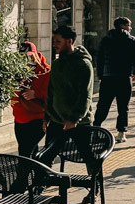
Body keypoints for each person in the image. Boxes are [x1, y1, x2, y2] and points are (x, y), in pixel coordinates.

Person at [39, 26, 96, 166]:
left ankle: (95, 185)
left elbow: (85, 96)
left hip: (80, 122)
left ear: (69, 41)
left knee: (88, 157)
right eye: (54, 41)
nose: (54, 45)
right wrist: (46, 117)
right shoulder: (57, 64)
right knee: (46, 157)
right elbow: (51, 92)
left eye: (58, 42)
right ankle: (40, 185)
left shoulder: (83, 64)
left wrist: (73, 119)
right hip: (57, 120)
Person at [92, 17, 135, 142]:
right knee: (123, 107)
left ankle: (96, 128)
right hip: (124, 78)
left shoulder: (106, 39)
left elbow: (100, 59)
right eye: (129, 26)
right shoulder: (131, 40)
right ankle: (121, 132)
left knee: (103, 105)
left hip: (108, 78)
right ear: (123, 26)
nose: (130, 28)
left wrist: (101, 76)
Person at [12, 41, 51, 158]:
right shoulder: (16, 71)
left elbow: (52, 93)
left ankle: (23, 176)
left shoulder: (45, 70)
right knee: (27, 151)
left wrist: (36, 94)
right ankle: (34, 175)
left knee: (25, 152)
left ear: (35, 54)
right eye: (22, 56)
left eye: (29, 56)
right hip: (19, 116)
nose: (26, 59)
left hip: (37, 116)